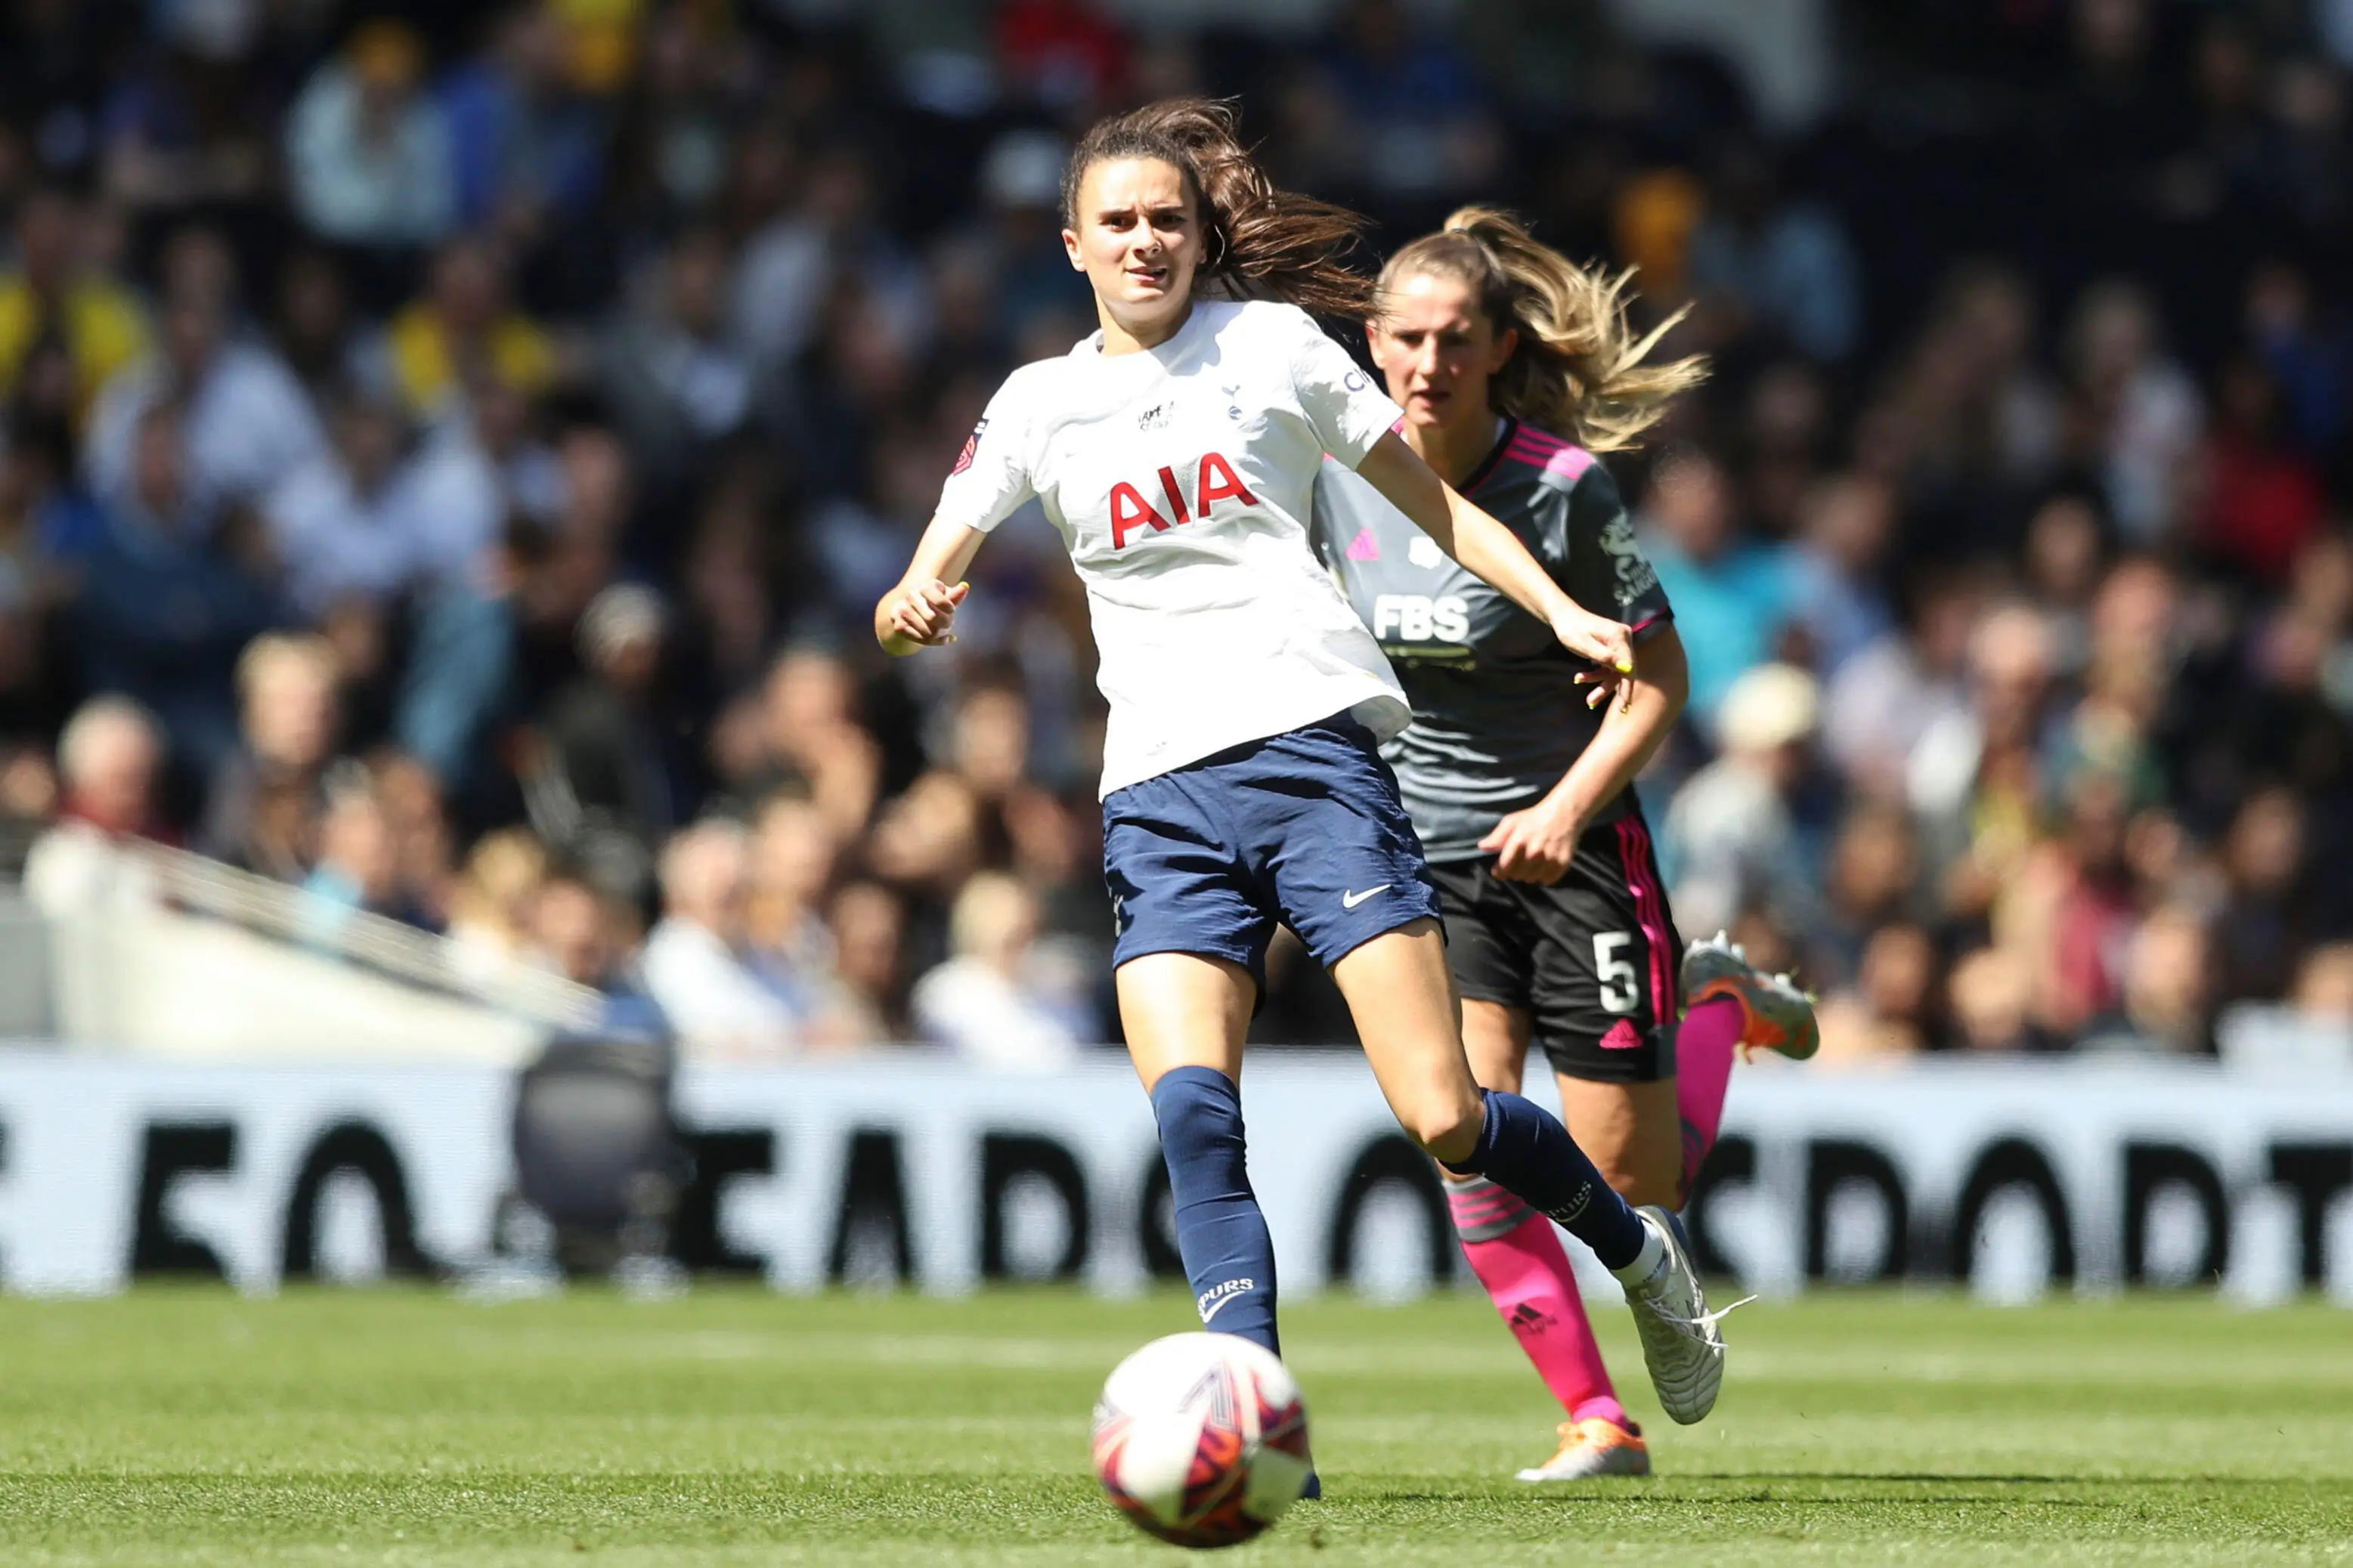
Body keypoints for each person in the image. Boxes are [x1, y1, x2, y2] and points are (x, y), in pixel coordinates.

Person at [873, 99, 1730, 1455]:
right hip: (1157, 796)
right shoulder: (1038, 404)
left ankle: (1640, 1257)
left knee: (1446, 1117)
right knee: (1197, 1116)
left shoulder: (1269, 349)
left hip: (1314, 760)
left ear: (1202, 232)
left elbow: (1433, 502)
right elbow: (921, 570)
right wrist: (919, 596)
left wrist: (1564, 609)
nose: (1146, 240)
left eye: (1168, 218)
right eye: (1119, 223)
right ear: (1073, 245)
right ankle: (1258, 1428)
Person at [1311, 209, 1819, 1480]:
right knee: (1464, 1131)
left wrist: (1563, 806)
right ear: (1370, 344)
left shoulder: (1559, 487)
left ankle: (1710, 1006)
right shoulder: (1333, 478)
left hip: (1578, 849)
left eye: (1454, 341)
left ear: (1495, 348)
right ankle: (1595, 1417)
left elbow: (1659, 681)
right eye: (1406, 340)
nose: (1426, 364)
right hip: (1430, 860)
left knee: (1635, 1187)